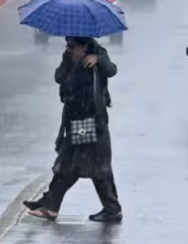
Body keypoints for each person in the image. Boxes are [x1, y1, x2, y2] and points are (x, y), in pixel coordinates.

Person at [24, 36, 122, 222]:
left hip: (91, 120)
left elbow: (111, 70)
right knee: (89, 164)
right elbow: (59, 78)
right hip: (76, 118)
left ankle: (51, 204)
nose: (68, 48)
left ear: (84, 47)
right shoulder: (69, 57)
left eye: (72, 46)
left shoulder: (98, 54)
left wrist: (98, 60)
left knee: (76, 163)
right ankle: (111, 208)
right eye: (67, 45)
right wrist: (68, 59)